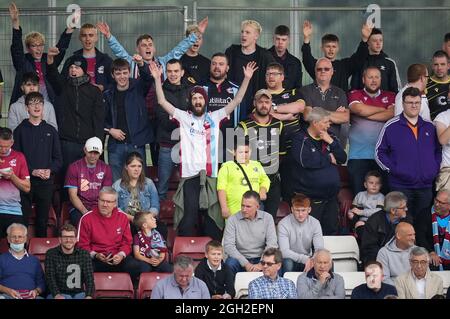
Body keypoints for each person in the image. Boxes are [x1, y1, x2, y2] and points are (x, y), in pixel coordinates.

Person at [150, 58, 257, 240]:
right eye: (195, 98)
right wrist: (157, 79)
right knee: (188, 217)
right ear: (190, 101)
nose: (198, 101)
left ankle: (213, 252)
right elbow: (161, 101)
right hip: (190, 175)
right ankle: (185, 255)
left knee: (211, 218)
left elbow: (238, 99)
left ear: (205, 101)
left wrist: (247, 78)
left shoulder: (215, 117)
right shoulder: (183, 117)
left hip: (211, 175)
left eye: (200, 98)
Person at [375, 87, 441, 223]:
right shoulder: (391, 126)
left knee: (423, 224)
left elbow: (438, 151)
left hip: (425, 186)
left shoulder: (429, 127)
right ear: (403, 103)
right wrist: (395, 170)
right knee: (402, 223)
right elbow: (378, 152)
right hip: (401, 185)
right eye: (410, 102)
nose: (414, 105)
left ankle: (420, 245)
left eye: (417, 102)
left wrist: (433, 169)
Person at [46, 47, 105, 174]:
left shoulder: (94, 91)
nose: (73, 70)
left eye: (77, 68)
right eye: (71, 67)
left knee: (88, 178)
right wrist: (50, 59)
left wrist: (98, 143)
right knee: (67, 178)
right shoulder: (63, 86)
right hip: (67, 142)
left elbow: (99, 120)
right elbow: (52, 75)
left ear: (84, 70)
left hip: (87, 142)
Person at [290, 107, 347, 235]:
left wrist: (331, 142)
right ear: (315, 122)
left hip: (331, 198)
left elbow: (342, 158)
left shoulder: (329, 136)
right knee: (310, 235)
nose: (329, 125)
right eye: (326, 122)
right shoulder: (300, 138)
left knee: (331, 233)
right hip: (311, 199)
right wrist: (328, 157)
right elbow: (306, 161)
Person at [12, 92, 62, 237]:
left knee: (42, 221)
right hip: (24, 182)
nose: (36, 106)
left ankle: (41, 252)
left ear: (43, 106)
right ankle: (21, 253)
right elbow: (15, 160)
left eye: (39, 102)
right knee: (22, 220)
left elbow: (58, 159)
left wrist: (50, 170)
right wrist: (32, 171)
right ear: (27, 108)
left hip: (46, 183)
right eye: (32, 103)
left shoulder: (51, 131)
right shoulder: (20, 131)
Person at [8, 2, 73, 105]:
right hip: (28, 106)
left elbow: (61, 48)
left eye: (41, 45)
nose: (38, 49)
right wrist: (15, 22)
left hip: (48, 105)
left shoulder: (48, 59)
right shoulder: (23, 61)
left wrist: (70, 28)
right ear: (28, 48)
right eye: (34, 46)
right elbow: (16, 49)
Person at [103, 57, 153, 181]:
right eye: (118, 73)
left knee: (139, 182)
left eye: (125, 72)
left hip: (136, 143)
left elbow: (148, 78)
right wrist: (110, 130)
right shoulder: (108, 92)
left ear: (129, 72)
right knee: (116, 183)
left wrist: (141, 64)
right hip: (115, 146)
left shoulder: (138, 87)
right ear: (113, 75)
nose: (122, 76)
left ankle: (137, 202)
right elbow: (99, 118)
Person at [347, 66, 395, 194]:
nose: (373, 80)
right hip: (358, 157)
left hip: (383, 156)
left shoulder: (391, 96)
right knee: (359, 197)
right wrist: (384, 109)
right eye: (370, 77)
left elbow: (392, 114)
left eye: (376, 77)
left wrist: (366, 113)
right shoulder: (354, 94)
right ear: (363, 79)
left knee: (383, 198)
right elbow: (360, 109)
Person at [77, 187, 141, 279]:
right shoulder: (86, 218)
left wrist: (121, 255)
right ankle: (89, 291)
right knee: (83, 267)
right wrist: (95, 255)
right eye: (102, 200)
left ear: (115, 204)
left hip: (117, 257)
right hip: (96, 259)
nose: (105, 204)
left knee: (135, 266)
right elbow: (82, 245)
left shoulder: (122, 217)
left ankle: (125, 291)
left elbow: (127, 242)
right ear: (98, 201)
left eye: (109, 202)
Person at [155, 59, 194, 200]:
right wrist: (184, 119)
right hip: (167, 145)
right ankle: (157, 221)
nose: (173, 74)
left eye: (176, 71)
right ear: (166, 73)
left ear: (182, 72)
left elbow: (194, 118)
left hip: (188, 147)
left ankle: (187, 220)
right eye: (170, 71)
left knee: (189, 186)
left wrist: (175, 117)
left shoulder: (191, 90)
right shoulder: (159, 91)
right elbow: (163, 119)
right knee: (162, 189)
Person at [301, 20, 372, 91]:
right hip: (320, 101)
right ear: (322, 48)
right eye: (328, 46)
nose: (331, 49)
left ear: (338, 48)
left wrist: (365, 39)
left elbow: (359, 57)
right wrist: (306, 38)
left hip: (340, 101)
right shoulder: (318, 66)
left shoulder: (344, 66)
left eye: (334, 46)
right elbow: (307, 59)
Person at [225, 20, 274, 120]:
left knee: (250, 135)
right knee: (231, 134)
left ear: (256, 36)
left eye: (247, 32)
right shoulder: (232, 52)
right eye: (242, 32)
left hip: (254, 107)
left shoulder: (264, 56)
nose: (243, 35)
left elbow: (274, 78)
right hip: (232, 104)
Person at [223, 191, 278, 275]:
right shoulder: (232, 220)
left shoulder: (267, 218)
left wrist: (262, 263)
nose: (244, 209)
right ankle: (231, 288)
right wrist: (246, 263)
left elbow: (272, 244)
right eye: (242, 205)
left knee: (276, 262)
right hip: (240, 258)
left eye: (248, 206)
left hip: (261, 258)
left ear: (257, 207)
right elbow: (229, 246)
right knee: (230, 263)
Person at [299, 58, 349, 145]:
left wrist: (317, 111)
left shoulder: (340, 92)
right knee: (270, 155)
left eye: (326, 69)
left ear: (332, 71)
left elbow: (345, 117)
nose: (323, 71)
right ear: (315, 71)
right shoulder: (305, 90)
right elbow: (307, 115)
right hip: (310, 143)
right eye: (319, 69)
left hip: (333, 142)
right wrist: (334, 115)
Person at [65, 137, 113, 227]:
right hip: (79, 208)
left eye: (96, 153)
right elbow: (72, 196)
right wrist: (86, 212)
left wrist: (99, 212)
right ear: (85, 150)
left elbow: (106, 194)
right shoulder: (74, 167)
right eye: (90, 152)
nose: (93, 155)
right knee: (86, 223)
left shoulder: (106, 168)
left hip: (99, 207)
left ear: (101, 152)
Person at [217, 137, 270, 218]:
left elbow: (265, 180)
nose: (244, 155)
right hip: (234, 210)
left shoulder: (256, 165)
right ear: (234, 152)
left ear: (251, 151)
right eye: (240, 152)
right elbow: (221, 189)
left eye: (246, 152)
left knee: (256, 230)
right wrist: (224, 208)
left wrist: (263, 190)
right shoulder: (227, 167)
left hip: (255, 209)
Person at [112, 152, 160, 232]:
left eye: (139, 166)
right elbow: (116, 209)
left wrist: (145, 219)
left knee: (162, 228)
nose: (136, 169)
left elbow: (155, 207)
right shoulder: (117, 186)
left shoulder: (149, 183)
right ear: (126, 167)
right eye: (133, 166)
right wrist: (133, 219)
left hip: (146, 221)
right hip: (126, 221)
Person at [360, 191, 412, 265]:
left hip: (401, 260)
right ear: (393, 210)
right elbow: (369, 249)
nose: (406, 209)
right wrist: (388, 258)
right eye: (403, 208)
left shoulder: (407, 220)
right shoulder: (373, 221)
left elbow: (410, 244)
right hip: (378, 261)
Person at [45, 224, 95, 299]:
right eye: (65, 237)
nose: (68, 240)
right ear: (60, 239)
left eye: (71, 237)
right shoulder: (51, 254)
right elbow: (50, 278)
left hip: (79, 294)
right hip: (59, 293)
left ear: (75, 239)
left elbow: (89, 279)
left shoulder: (84, 254)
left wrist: (88, 296)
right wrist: (57, 295)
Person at [277, 193, 323, 274]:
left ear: (309, 210)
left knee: (325, 262)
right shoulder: (283, 224)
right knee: (288, 263)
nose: (300, 214)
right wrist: (305, 259)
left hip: (308, 258)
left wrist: (313, 259)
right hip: (290, 258)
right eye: (297, 210)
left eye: (303, 210)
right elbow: (284, 251)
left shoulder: (315, 223)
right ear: (292, 209)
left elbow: (319, 248)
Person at [62, 23, 113, 91]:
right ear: (80, 38)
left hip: (100, 99)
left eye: (91, 35)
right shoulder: (71, 60)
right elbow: (62, 82)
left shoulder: (106, 60)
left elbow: (115, 83)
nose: (87, 39)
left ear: (96, 38)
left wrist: (103, 87)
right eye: (84, 35)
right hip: (77, 100)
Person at [0, 223, 44, 299]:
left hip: (31, 296)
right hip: (7, 296)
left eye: (20, 237)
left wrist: (36, 291)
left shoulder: (34, 260)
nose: (17, 239)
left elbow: (42, 284)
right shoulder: (1, 259)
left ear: (25, 238)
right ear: (8, 239)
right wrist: (8, 291)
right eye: (13, 237)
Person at [0, 127, 30, 237]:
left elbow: (27, 188)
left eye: (6, 147)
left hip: (14, 209)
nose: (3, 150)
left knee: (17, 246)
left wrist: (12, 177)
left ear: (12, 142)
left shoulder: (19, 157)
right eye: (0, 146)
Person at [351, 28, 401, 93]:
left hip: (385, 102)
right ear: (368, 42)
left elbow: (395, 89)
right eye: (375, 40)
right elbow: (354, 88)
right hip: (363, 102)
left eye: (381, 40)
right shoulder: (360, 61)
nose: (378, 43)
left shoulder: (390, 63)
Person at [415, 190, 450, 270]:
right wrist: (430, 252)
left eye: (441, 203)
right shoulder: (424, 214)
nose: (437, 204)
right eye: (436, 200)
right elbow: (420, 236)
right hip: (430, 256)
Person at [347, 171, 385, 241]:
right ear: (365, 184)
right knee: (358, 223)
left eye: (377, 183)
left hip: (375, 222)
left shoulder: (381, 197)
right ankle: (360, 241)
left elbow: (379, 211)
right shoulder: (360, 195)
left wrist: (361, 212)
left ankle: (366, 242)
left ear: (381, 186)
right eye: (371, 183)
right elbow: (353, 208)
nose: (374, 185)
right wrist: (350, 213)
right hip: (362, 221)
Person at [268, 25, 302, 90]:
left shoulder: (296, 62)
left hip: (289, 99)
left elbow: (298, 87)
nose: (280, 42)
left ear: (289, 41)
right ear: (273, 39)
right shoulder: (264, 57)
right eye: (278, 39)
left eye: (283, 40)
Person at [426, 50, 450, 120]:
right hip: (432, 127)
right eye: (436, 64)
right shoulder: (424, 83)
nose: (439, 68)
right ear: (432, 66)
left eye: (442, 64)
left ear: (448, 66)